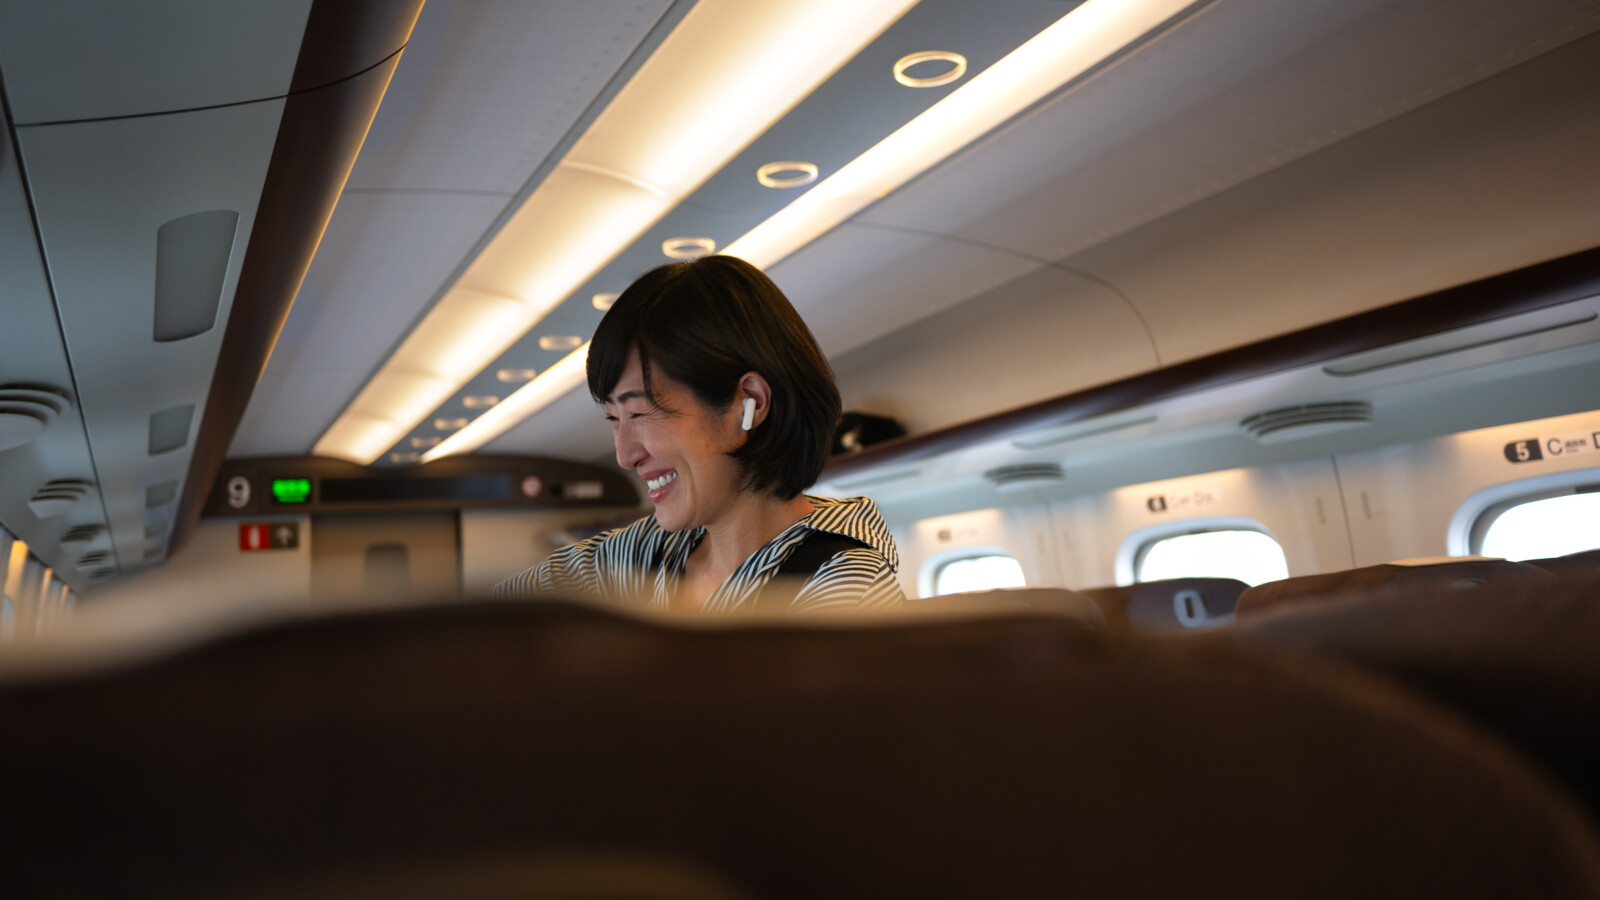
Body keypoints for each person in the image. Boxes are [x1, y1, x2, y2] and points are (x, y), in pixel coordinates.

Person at [491, 255, 904, 613]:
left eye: (639, 411)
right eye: (614, 419)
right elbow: (483, 623)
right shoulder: (644, 556)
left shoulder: (843, 587)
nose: (625, 455)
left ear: (751, 403)